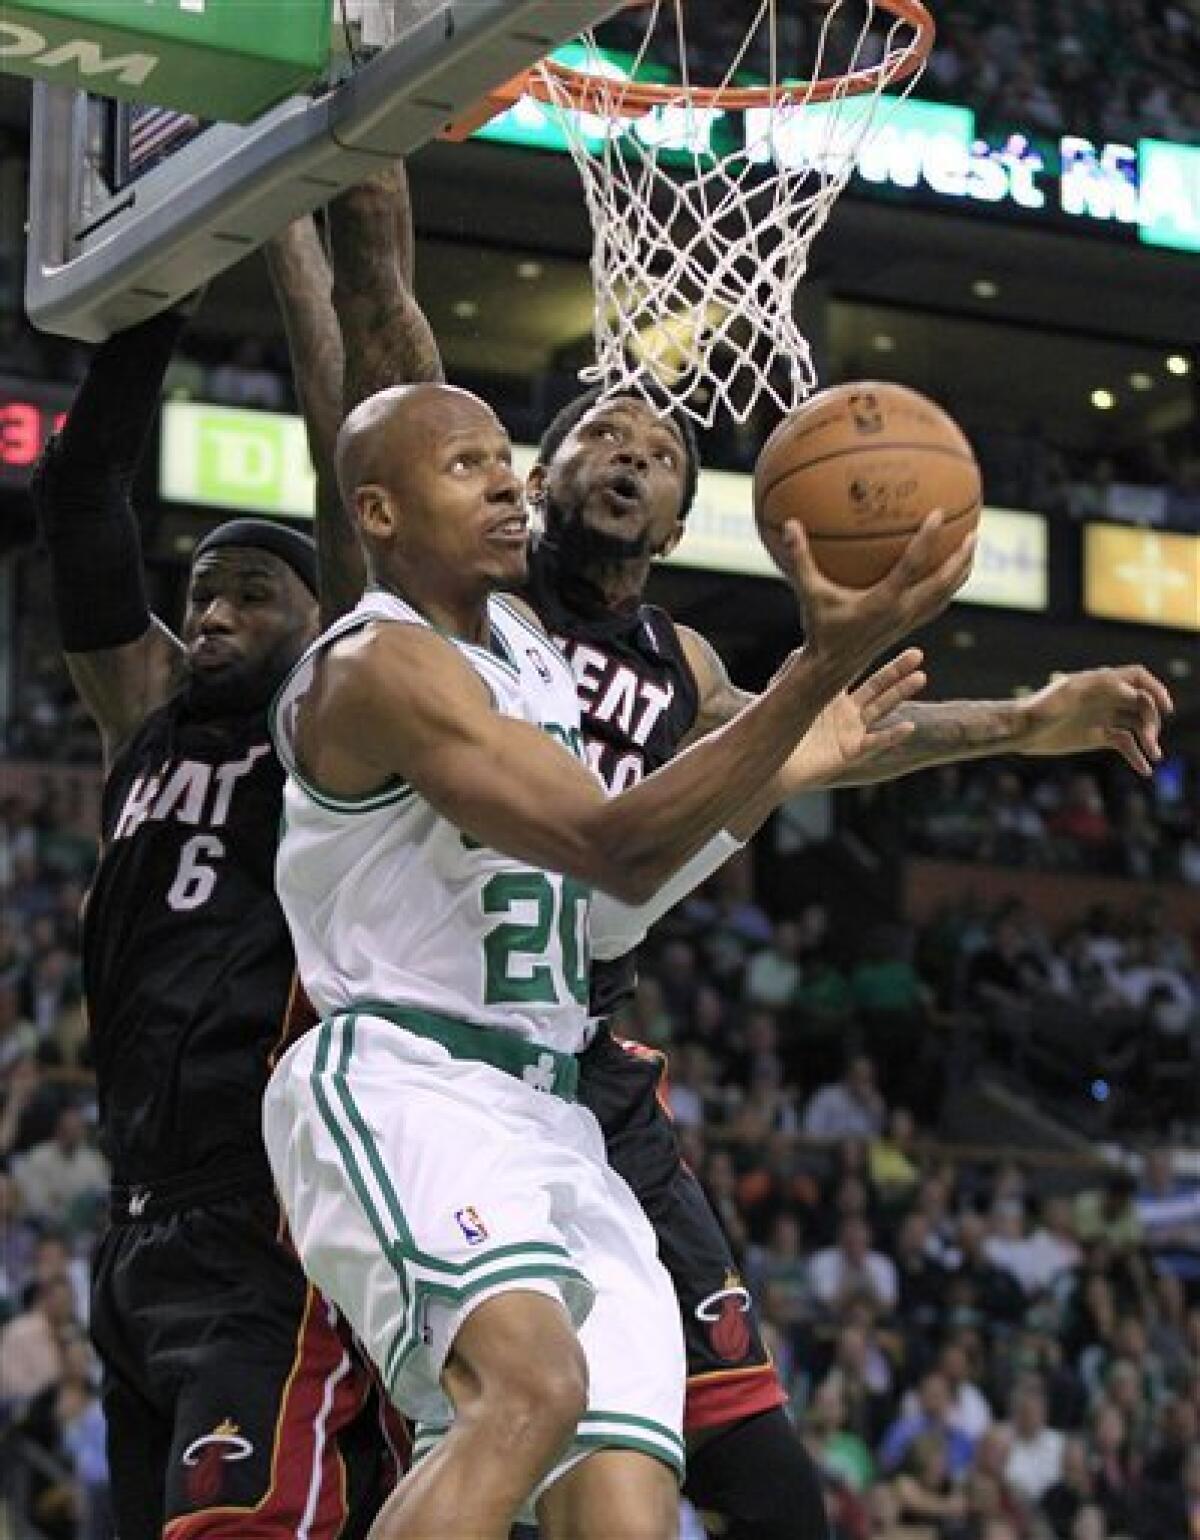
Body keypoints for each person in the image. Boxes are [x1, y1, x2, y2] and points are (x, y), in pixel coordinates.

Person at [266, 166, 1172, 1540]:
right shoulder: (404, 643)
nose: (561, 474)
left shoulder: (637, 660)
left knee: (658, 1485)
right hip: (409, 1047)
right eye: (573, 445)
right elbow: (385, 361)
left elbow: (832, 742)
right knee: (521, 1394)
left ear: (688, 524)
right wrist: (345, 176)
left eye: (660, 453)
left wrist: (1025, 722)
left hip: (571, 1080)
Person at [261, 369, 970, 1540]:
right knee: (530, 1389)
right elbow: (613, 846)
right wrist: (808, 673)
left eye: (503, 457)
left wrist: (791, 749)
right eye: (463, 464)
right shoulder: (375, 664)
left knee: (627, 1500)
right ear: (378, 513)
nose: (503, 479)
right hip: (407, 1082)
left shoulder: (534, 663)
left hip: (559, 1116)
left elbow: (607, 906)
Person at [28, 309, 394, 1539]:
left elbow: (358, 546)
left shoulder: (330, 727)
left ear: (316, 616)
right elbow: (82, 500)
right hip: (133, 1225)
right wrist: (155, 298)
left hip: (267, 1209)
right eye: (204, 595)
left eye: (253, 593)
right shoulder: (146, 713)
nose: (220, 615)